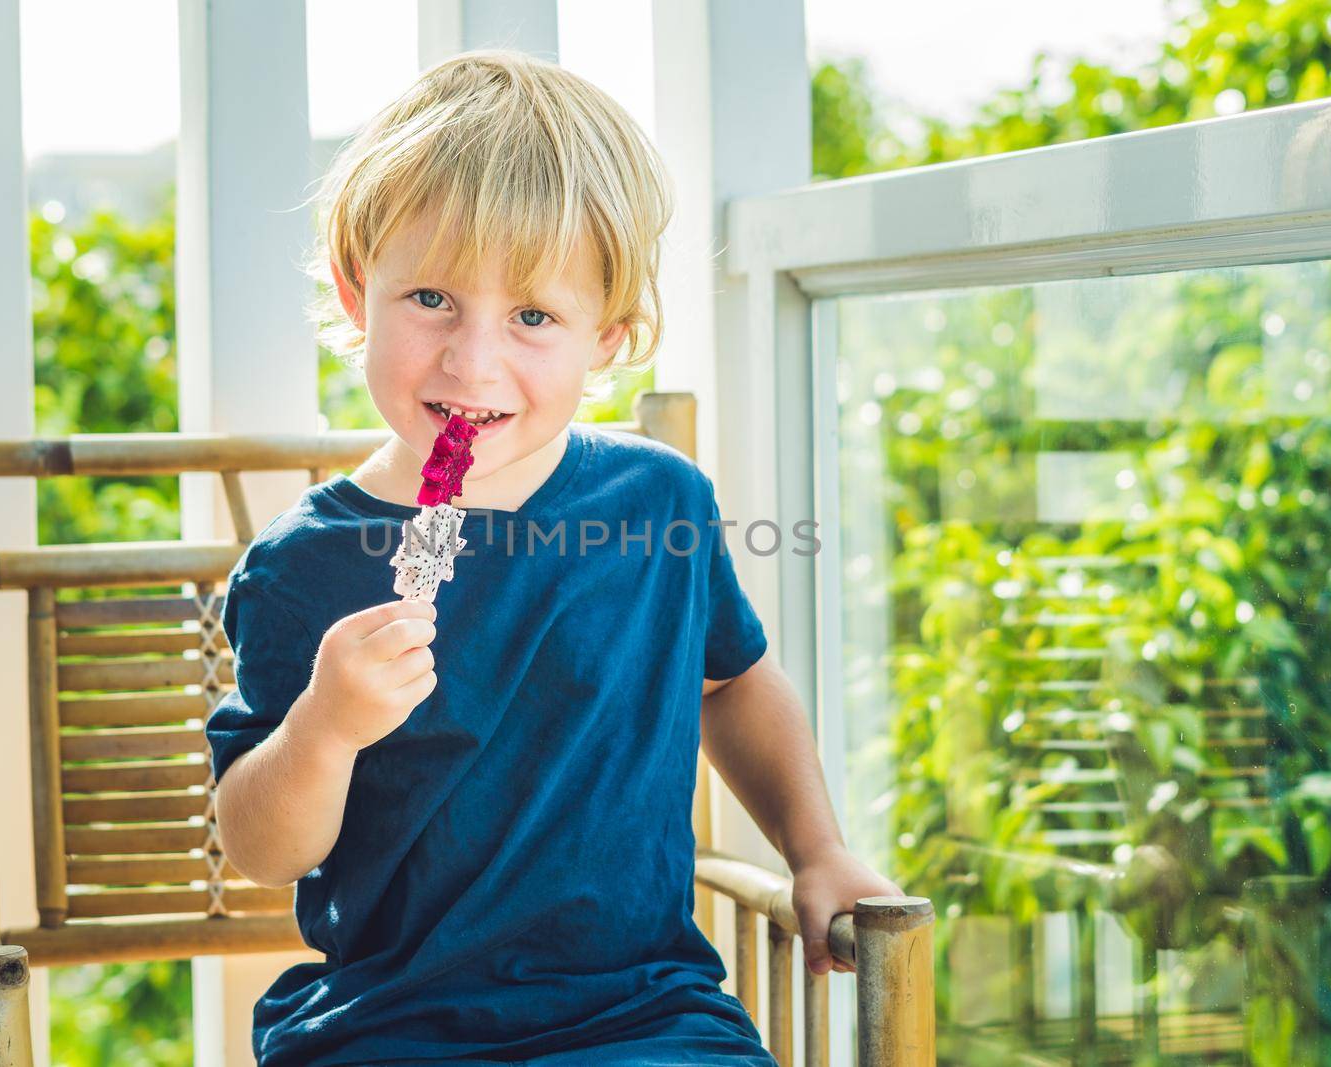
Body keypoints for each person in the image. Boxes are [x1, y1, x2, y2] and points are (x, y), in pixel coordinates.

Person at [205, 48, 901, 1066]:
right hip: (390, 1022)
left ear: (607, 337)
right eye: (430, 298)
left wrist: (817, 846)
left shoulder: (658, 503)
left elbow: (735, 683)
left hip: (644, 1011)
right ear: (359, 293)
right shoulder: (301, 565)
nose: (471, 360)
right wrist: (324, 729)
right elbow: (262, 848)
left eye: (532, 316)